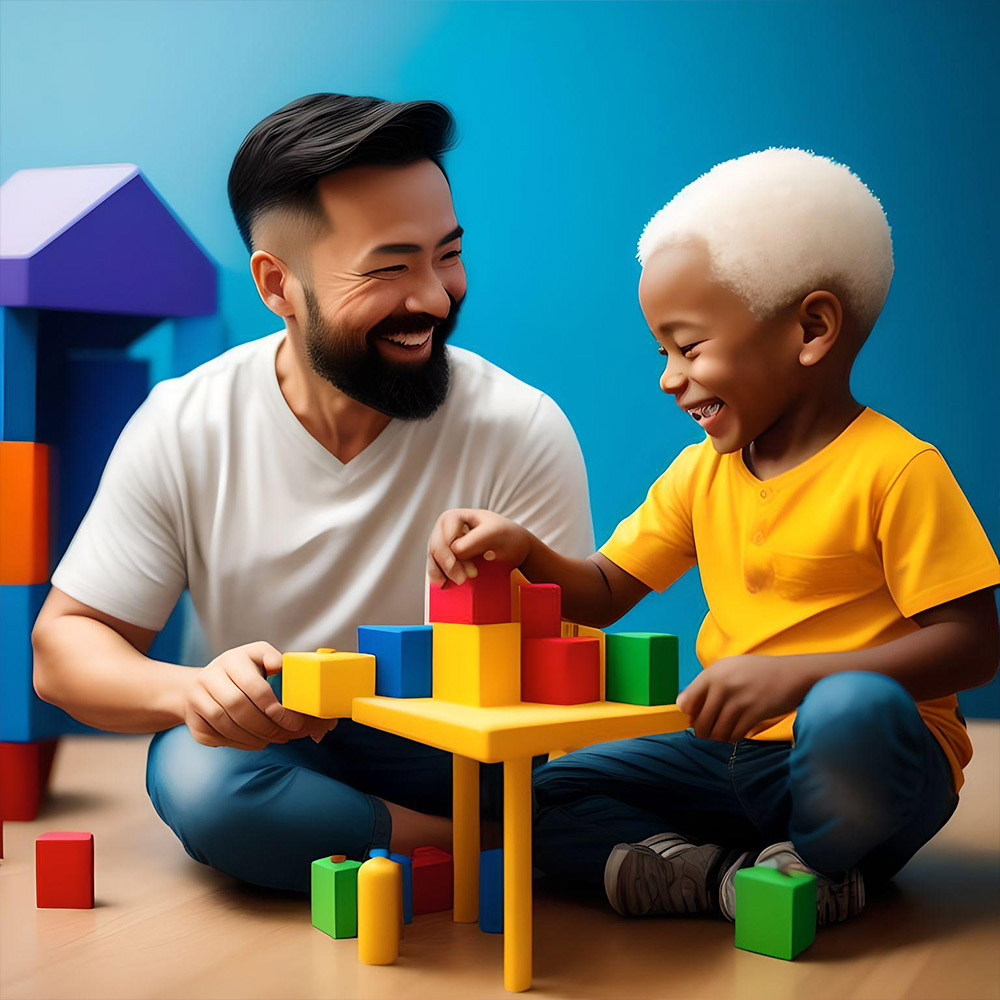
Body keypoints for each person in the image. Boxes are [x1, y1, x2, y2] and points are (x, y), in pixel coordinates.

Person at [32, 93, 594, 892]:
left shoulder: (520, 426)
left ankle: (415, 843)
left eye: (447, 255)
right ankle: (493, 849)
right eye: (390, 268)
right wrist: (192, 690)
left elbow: (561, 692)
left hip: (458, 751)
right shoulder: (186, 423)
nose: (435, 299)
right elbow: (63, 650)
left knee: (571, 776)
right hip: (277, 759)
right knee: (203, 780)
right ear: (277, 285)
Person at [426, 148, 1000, 925]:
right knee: (540, 795)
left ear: (811, 329)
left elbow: (973, 644)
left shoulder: (897, 470)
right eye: (662, 352)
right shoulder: (702, 474)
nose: (668, 376)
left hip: (860, 762)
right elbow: (601, 592)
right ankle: (725, 879)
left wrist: (794, 680)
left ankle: (822, 858)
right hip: (730, 756)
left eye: (689, 347)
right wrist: (525, 550)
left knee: (850, 713)